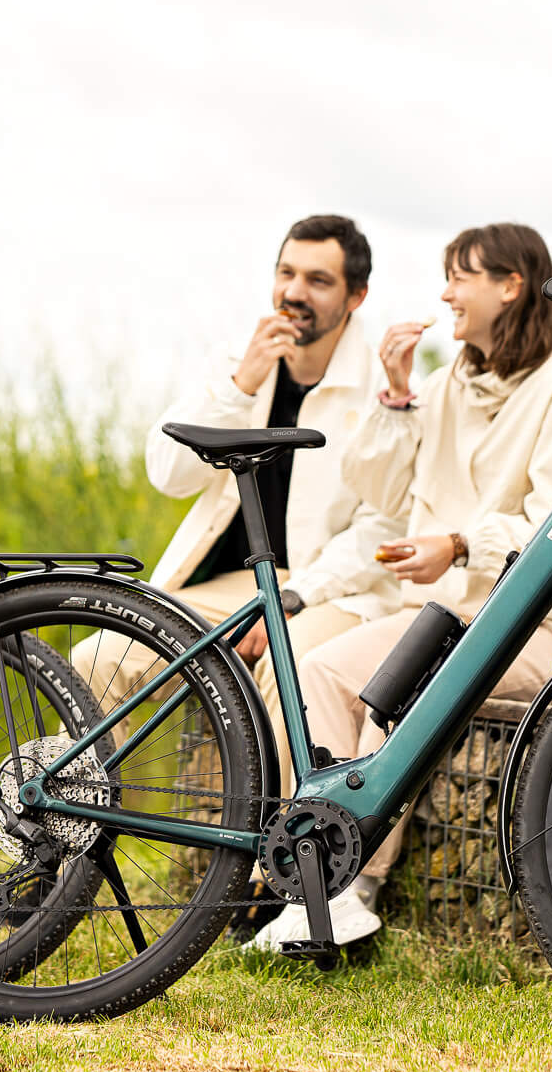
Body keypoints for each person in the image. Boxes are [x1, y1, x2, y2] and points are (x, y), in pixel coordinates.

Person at [248, 222, 552, 951]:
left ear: (511, 285)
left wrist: (462, 544)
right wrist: (398, 394)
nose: (445, 293)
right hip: (430, 616)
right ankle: (315, 870)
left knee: (397, 687)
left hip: (517, 630)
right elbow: (377, 483)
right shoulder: (445, 384)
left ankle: (353, 887)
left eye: (460, 276)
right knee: (318, 670)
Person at [73, 214, 404, 802]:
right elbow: (168, 474)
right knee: (99, 656)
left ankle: (281, 864)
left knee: (291, 668)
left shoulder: (382, 386)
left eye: (318, 280)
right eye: (287, 273)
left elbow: (385, 522)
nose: (295, 293)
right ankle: (72, 837)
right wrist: (241, 385)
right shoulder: (238, 361)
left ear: (357, 296)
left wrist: (290, 599)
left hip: (327, 591)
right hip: (229, 585)